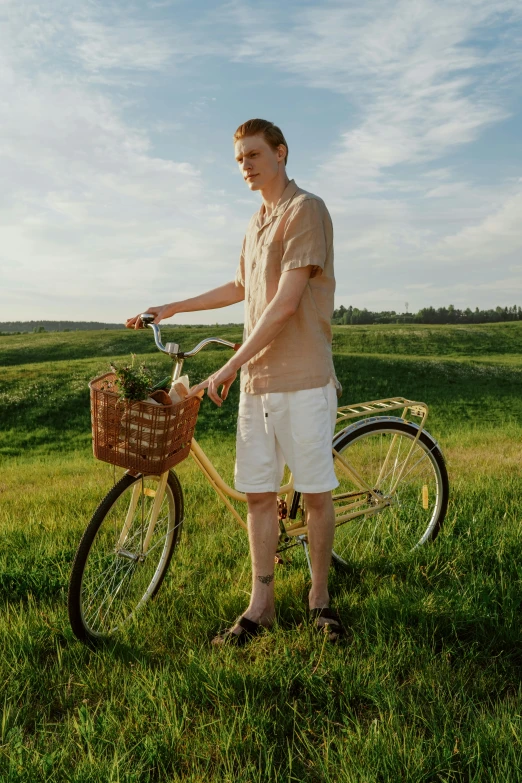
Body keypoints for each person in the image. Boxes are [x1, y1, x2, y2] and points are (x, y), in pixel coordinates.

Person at [126, 118, 342, 644]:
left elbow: (284, 305)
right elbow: (241, 286)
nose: (245, 166)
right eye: (239, 159)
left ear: (281, 153)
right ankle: (260, 605)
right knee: (260, 497)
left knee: (313, 495)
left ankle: (320, 600)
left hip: (302, 378)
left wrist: (228, 366)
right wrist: (173, 307)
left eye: (253, 155)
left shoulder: (305, 210)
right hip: (258, 387)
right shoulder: (257, 221)